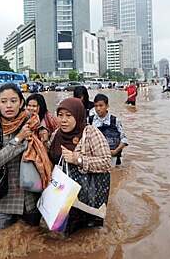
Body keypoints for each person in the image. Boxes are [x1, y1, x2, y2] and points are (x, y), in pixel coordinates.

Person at [0, 83, 41, 233]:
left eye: (13, 101)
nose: (9, 106)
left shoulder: (32, 121)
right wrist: (19, 139)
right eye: (4, 101)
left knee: (32, 244)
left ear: (21, 103)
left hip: (30, 199)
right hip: (2, 200)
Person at [48, 97, 111, 236]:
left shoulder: (90, 133)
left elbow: (106, 162)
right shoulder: (55, 134)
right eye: (60, 115)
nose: (63, 120)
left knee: (89, 237)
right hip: (62, 194)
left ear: (78, 115)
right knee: (61, 236)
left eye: (69, 116)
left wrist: (78, 159)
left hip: (87, 195)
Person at [89, 94, 128, 166]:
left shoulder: (115, 120)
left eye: (101, 105)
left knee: (115, 175)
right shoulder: (90, 121)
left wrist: (116, 151)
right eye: (96, 106)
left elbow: (124, 139)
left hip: (113, 157)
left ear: (107, 106)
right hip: (96, 158)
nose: (98, 108)